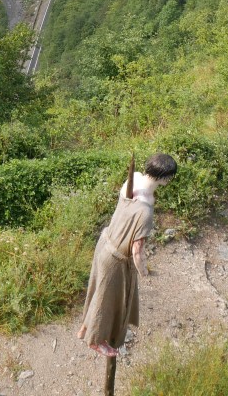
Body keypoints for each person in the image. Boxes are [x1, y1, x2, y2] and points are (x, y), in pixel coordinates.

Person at [77, 153, 178, 358]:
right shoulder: (146, 211)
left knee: (97, 292)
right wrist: (144, 271)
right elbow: (137, 251)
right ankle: (96, 341)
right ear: (165, 178)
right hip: (115, 259)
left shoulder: (134, 179)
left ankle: (85, 329)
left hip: (105, 242)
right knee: (107, 300)